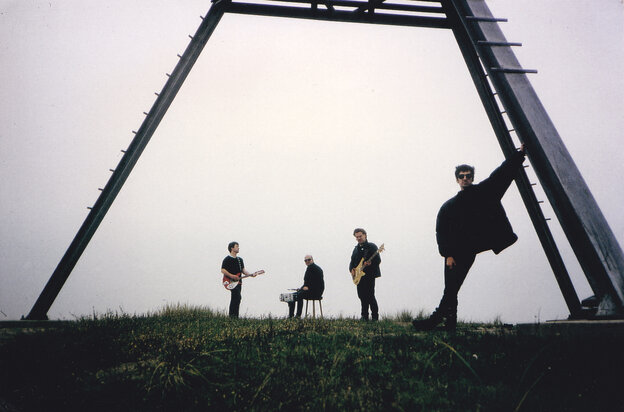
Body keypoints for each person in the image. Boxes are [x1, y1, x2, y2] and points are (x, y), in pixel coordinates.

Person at [413, 145, 527, 331]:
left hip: (468, 251)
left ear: (472, 178)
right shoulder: (449, 206)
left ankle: (435, 320)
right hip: (453, 253)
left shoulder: (483, 193)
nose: (465, 178)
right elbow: (441, 232)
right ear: (457, 179)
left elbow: (502, 174)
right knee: (451, 288)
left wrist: (519, 154)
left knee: (451, 288)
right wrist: (447, 255)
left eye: (468, 176)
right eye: (461, 176)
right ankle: (448, 323)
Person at [349, 228, 381, 321]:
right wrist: (351, 270)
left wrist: (370, 264)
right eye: (357, 237)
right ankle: (364, 316)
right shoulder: (355, 249)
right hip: (359, 277)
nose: (359, 238)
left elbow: (377, 260)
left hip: (369, 275)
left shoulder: (372, 246)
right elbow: (352, 261)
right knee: (362, 296)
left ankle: (375, 317)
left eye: (360, 236)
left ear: (365, 235)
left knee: (370, 295)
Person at [221, 241, 256, 318]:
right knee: (236, 296)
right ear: (232, 248)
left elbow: (243, 270)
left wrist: (250, 274)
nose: (238, 248)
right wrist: (232, 276)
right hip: (230, 282)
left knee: (237, 298)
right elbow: (223, 270)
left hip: (239, 282)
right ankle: (232, 316)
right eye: (237, 246)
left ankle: (234, 316)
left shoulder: (240, 260)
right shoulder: (227, 259)